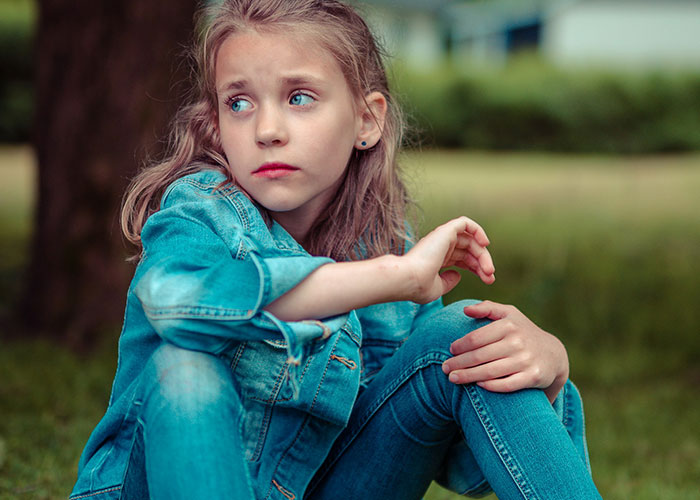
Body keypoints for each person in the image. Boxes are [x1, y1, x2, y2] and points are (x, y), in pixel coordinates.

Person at [70, 1, 601, 499]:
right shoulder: (198, 211)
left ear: (367, 121)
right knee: (185, 368)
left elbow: (462, 466)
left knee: (465, 335)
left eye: (299, 97)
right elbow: (176, 306)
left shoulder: (386, 247)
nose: (267, 130)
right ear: (215, 124)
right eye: (239, 102)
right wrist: (393, 276)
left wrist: (551, 372)